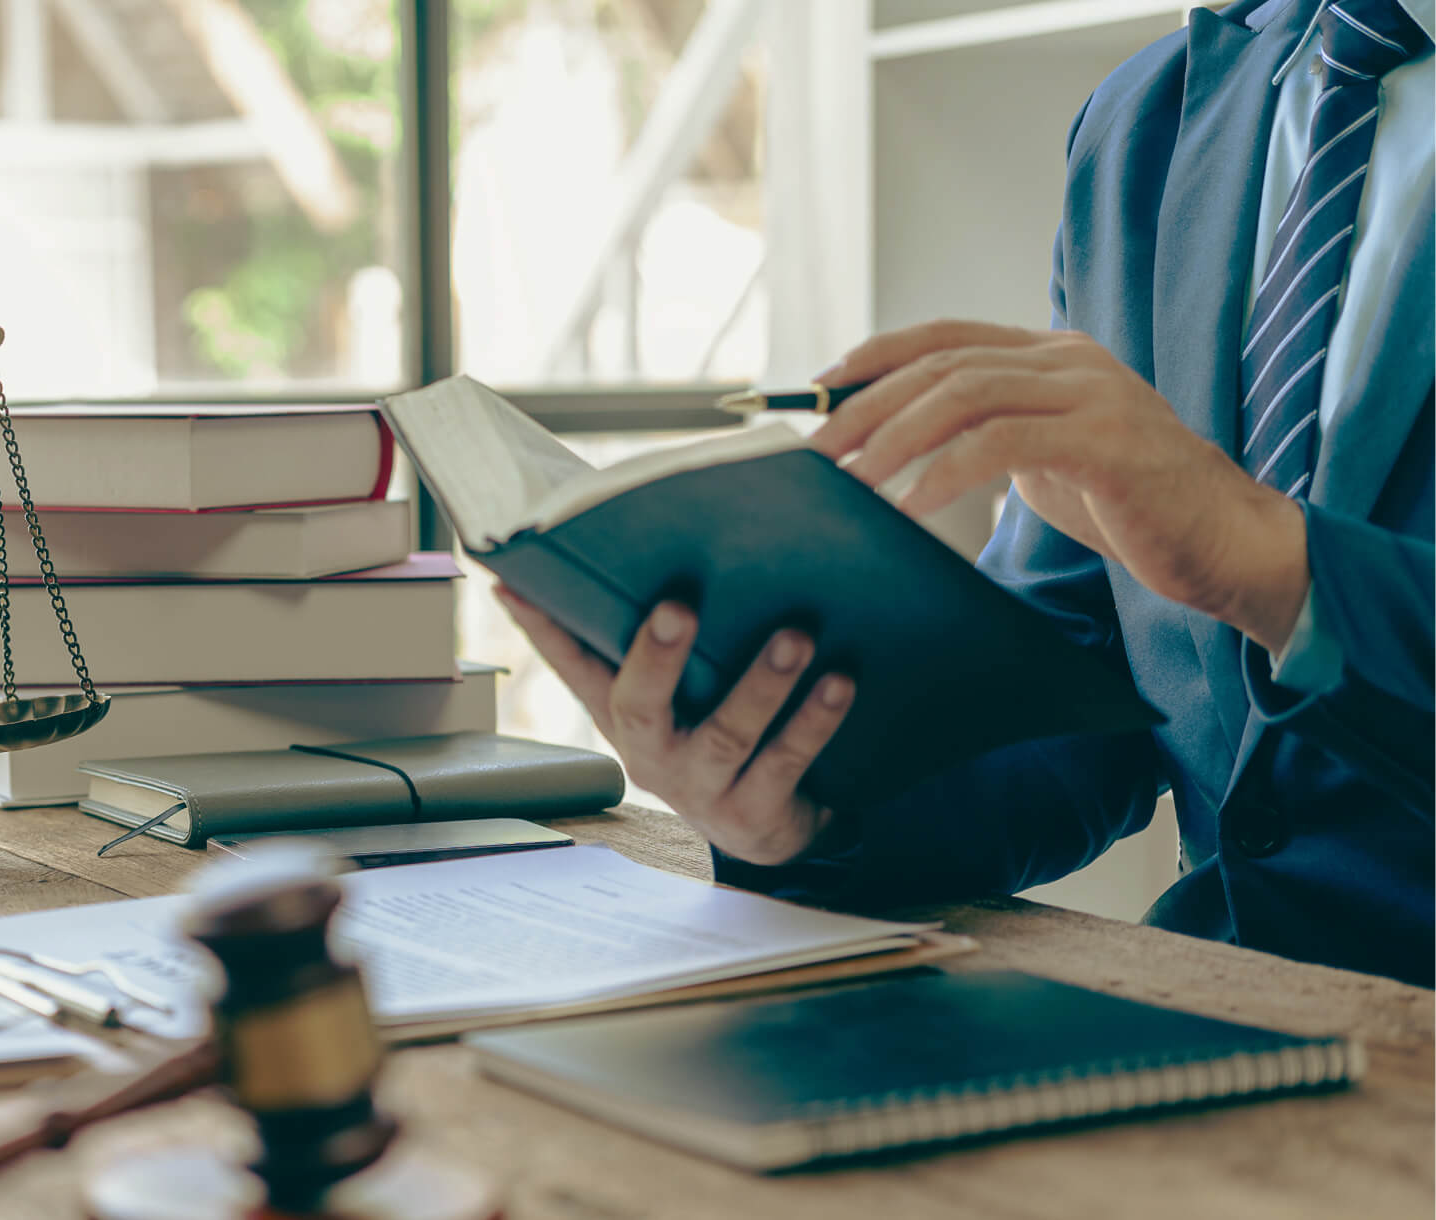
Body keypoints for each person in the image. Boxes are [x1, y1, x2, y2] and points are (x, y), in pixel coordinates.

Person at [497, 0, 1434, 986]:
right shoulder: (1142, 119)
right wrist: (802, 801)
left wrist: (1270, 563)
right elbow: (1074, 699)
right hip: (1226, 1032)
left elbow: (1227, 552)